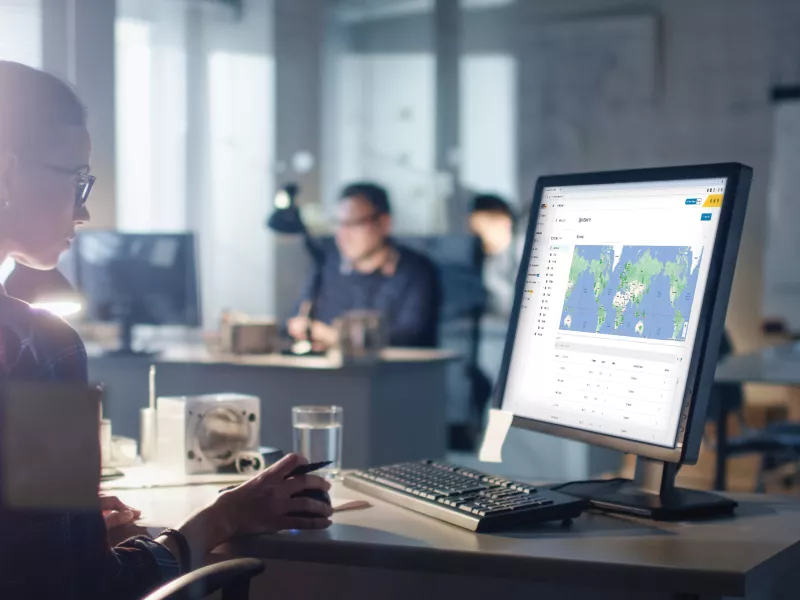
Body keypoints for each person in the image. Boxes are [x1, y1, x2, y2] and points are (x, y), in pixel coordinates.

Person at [0, 60, 332, 599]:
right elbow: (82, 588)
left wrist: (63, 527)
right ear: (7, 174)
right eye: (77, 180)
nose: (82, 213)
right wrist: (222, 518)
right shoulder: (41, 347)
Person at [288, 182, 440, 348]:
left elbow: (409, 336)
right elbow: (299, 318)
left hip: (395, 372)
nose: (343, 234)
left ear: (383, 224)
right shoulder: (327, 266)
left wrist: (337, 337)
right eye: (338, 224)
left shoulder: (416, 271)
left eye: (353, 223)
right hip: (332, 372)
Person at [469, 193, 520, 317]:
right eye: (477, 232)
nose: (481, 238)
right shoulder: (490, 260)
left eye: (484, 228)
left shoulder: (522, 250)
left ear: (505, 221)